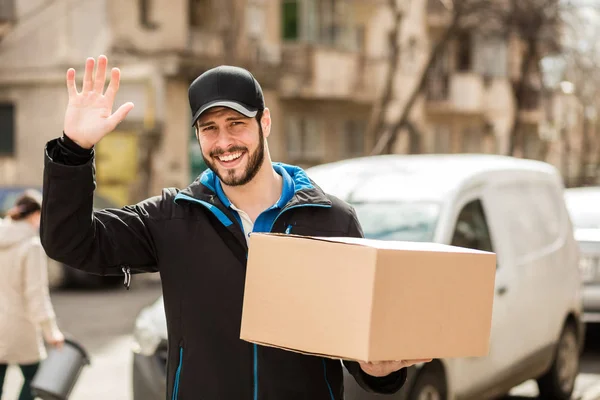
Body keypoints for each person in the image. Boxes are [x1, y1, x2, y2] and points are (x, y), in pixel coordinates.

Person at [40, 55, 430, 399]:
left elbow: (357, 341)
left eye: (236, 123)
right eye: (209, 128)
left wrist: (379, 370)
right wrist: (74, 150)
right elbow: (71, 242)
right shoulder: (171, 217)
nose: (224, 142)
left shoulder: (331, 219)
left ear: (265, 122)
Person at [0, 190, 65, 400]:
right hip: (19, 325)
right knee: (34, 376)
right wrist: (51, 330)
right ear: (35, 215)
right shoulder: (32, 246)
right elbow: (36, 292)